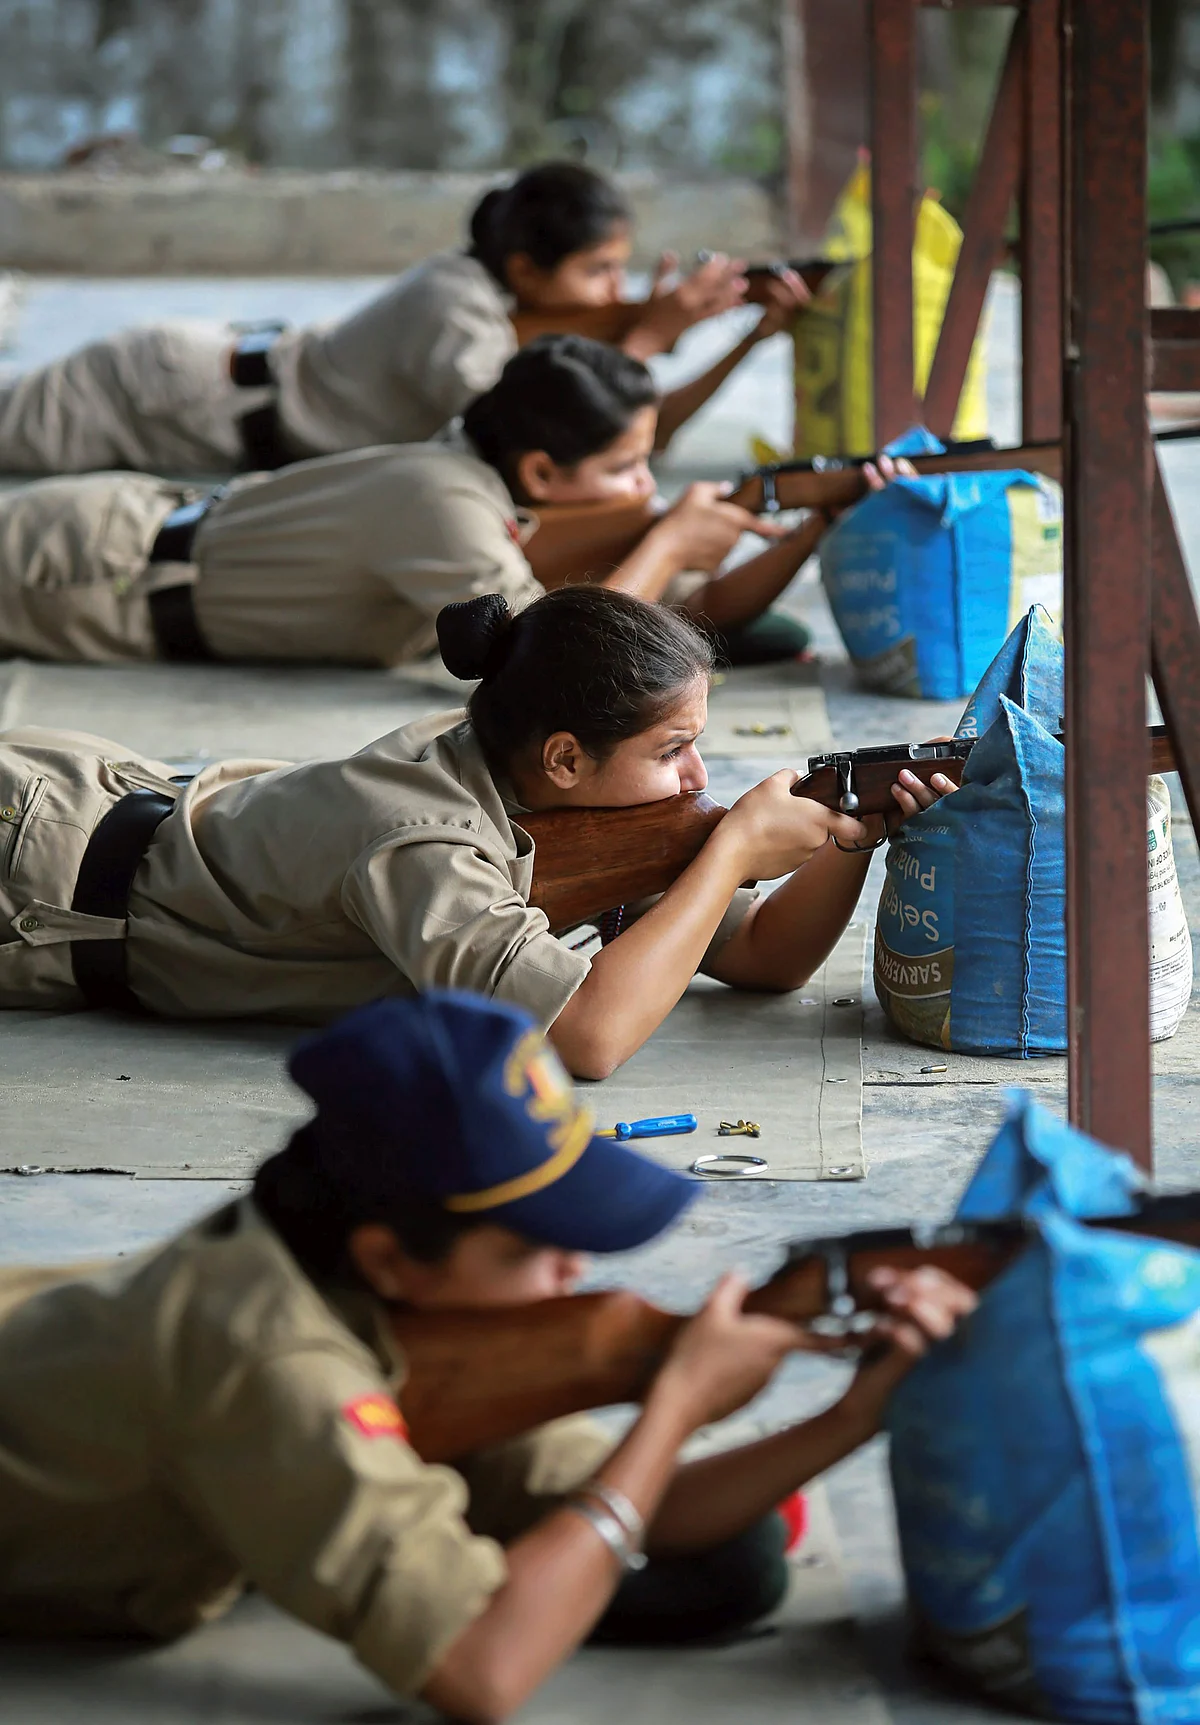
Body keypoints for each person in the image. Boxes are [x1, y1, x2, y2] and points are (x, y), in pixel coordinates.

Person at [0, 989, 978, 1720]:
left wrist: (857, 1413)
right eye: (528, 1247)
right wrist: (673, 1408)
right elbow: (480, 1671)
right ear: (390, 1258)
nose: (569, 1273)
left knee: (733, 1565)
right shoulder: (271, 1361)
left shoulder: (331, 1248)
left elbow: (633, 1505)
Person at [0, 587, 955, 1077]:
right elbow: (587, 1040)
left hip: (88, 810)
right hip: (34, 864)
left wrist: (847, 833)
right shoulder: (426, 843)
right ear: (567, 758)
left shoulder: (557, 795)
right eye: (673, 751)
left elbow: (764, 958)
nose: (700, 779)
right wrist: (735, 853)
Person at [0, 335, 887, 669]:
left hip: (119, 541)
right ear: (539, 474)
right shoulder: (447, 507)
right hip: (86, 567)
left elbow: (688, 617)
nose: (644, 489)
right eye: (625, 468)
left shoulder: (472, 485)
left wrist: (818, 519)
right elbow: (551, 657)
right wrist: (669, 540)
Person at [0, 161, 806, 478]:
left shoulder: (502, 301)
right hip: (159, 389)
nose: (610, 291)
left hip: (207, 398)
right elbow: (573, 433)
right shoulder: (452, 308)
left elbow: (643, 434)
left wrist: (745, 341)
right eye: (596, 271)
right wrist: (645, 337)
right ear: (526, 269)